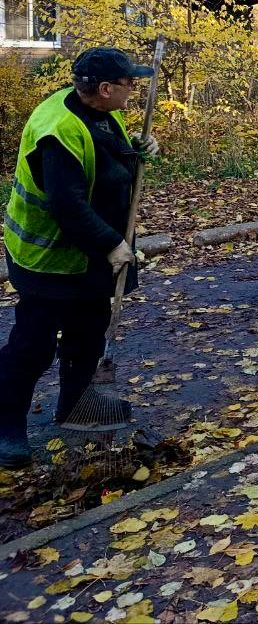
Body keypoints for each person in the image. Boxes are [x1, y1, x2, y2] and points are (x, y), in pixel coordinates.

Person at [0, 47, 159, 468]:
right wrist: (112, 244)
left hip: (89, 254)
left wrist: (137, 150)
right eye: (129, 84)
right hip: (48, 257)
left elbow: (106, 156)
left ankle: (74, 405)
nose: (134, 90)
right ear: (105, 88)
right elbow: (67, 206)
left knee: (88, 331)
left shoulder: (103, 110)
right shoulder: (57, 132)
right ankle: (7, 424)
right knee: (32, 345)